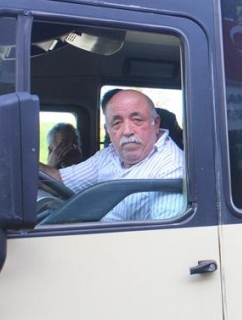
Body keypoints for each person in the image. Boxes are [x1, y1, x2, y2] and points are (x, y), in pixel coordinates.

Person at [40, 89, 184, 221]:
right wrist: (23, 161)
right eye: (117, 123)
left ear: (156, 123)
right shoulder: (108, 155)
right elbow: (59, 181)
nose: (127, 131)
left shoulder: (171, 167)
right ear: (107, 130)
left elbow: (164, 239)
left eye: (137, 120)